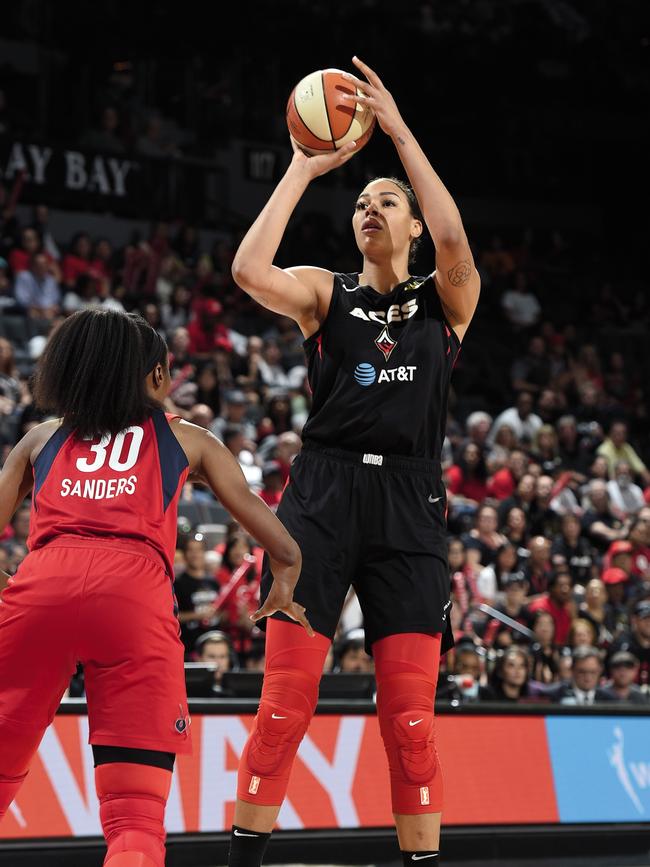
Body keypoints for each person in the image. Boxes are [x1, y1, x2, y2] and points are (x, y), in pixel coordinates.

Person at [228, 56, 480, 867]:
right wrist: (305, 167)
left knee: (410, 725)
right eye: (363, 202)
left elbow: (451, 237)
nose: (371, 208)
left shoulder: (447, 298)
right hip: (323, 495)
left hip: (410, 501)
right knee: (281, 712)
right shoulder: (325, 292)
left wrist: (399, 133)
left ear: (410, 228)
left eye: (388, 201)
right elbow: (247, 270)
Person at [0, 309, 308, 867]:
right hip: (134, 596)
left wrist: (14, 591)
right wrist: (283, 583)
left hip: (41, 583)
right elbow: (283, 547)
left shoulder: (41, 437)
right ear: (159, 378)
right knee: (135, 818)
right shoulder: (186, 439)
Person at [547, 646, 615, 705]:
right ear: (572, 670)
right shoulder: (555, 695)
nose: (587, 677)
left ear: (600, 670)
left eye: (593, 672)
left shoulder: (610, 699)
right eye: (582, 672)